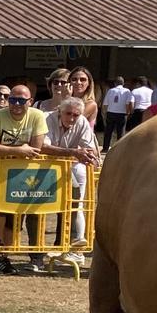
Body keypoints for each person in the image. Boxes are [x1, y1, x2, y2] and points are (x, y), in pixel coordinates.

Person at [0, 80, 52, 273]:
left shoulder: (37, 116)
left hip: (25, 173)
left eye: (21, 100)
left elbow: (36, 148)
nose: (16, 104)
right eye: (12, 99)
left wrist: (13, 151)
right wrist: (20, 150)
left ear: (30, 101)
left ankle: (14, 253)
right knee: (1, 212)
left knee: (19, 214)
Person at [45, 95, 101, 264]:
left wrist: (86, 155)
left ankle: (76, 249)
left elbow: (87, 148)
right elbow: (43, 147)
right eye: (68, 113)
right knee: (40, 209)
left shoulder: (82, 122)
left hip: (73, 166)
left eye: (75, 115)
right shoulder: (47, 119)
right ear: (59, 111)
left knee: (77, 205)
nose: (71, 118)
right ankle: (38, 253)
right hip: (46, 166)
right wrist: (73, 152)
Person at [101, 76, 133, 148]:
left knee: (108, 131)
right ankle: (119, 148)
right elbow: (128, 103)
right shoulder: (127, 91)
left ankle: (105, 147)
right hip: (122, 113)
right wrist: (127, 112)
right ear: (123, 83)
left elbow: (105, 104)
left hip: (111, 112)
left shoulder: (110, 90)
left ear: (115, 83)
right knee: (121, 132)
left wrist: (105, 113)